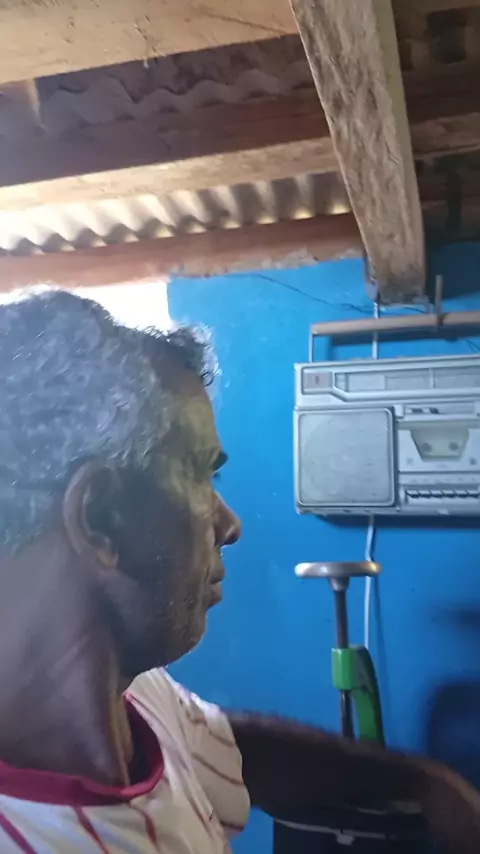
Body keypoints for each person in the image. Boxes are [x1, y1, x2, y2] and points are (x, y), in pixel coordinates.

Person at [0, 289, 478, 854]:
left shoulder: (136, 699)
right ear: (102, 517)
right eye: (203, 474)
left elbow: (232, 749)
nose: (230, 525)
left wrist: (420, 783)